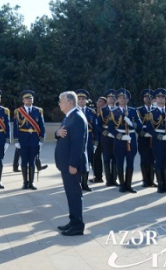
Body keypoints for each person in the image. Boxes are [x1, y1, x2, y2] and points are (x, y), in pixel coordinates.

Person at [55, 91, 88, 236]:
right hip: (66, 164)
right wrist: (57, 133)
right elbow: (62, 132)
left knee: (74, 195)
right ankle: (73, 220)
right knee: (70, 194)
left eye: (61, 101)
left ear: (69, 102)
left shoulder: (77, 118)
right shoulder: (70, 116)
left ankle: (78, 226)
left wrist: (73, 164)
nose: (59, 104)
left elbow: (78, 145)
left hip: (72, 166)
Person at [107, 89, 142, 193]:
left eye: (125, 98)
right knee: (120, 162)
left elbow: (139, 125)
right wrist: (120, 136)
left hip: (131, 137)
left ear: (128, 99)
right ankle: (122, 184)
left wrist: (131, 123)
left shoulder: (133, 111)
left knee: (130, 163)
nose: (123, 100)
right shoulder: (113, 112)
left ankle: (129, 184)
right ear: (117, 99)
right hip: (119, 140)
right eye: (120, 98)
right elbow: (110, 128)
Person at [144, 88, 166, 194]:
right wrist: (159, 136)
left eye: (163, 97)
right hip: (158, 141)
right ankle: (160, 185)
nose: (160, 99)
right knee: (159, 161)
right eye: (158, 97)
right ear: (155, 99)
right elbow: (149, 128)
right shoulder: (151, 113)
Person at [13, 90, 45, 190]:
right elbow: (15, 127)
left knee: (32, 161)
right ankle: (25, 182)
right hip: (23, 139)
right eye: (27, 98)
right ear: (23, 100)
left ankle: (31, 182)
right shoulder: (18, 111)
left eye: (30, 98)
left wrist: (41, 139)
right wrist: (16, 140)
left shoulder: (38, 111)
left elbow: (42, 126)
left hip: (34, 139)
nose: (29, 100)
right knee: (24, 161)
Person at [75, 89, 98, 192]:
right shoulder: (73, 111)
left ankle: (85, 183)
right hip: (76, 140)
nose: (81, 101)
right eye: (79, 99)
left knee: (87, 162)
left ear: (86, 101)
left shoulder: (91, 112)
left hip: (88, 140)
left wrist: (95, 142)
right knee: (76, 162)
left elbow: (96, 128)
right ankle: (76, 183)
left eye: (83, 99)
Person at [136, 89, 156, 188]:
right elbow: (137, 125)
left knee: (152, 159)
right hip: (143, 137)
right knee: (144, 158)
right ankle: (145, 180)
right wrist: (143, 133)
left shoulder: (156, 109)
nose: (147, 98)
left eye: (150, 97)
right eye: (145, 97)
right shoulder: (139, 110)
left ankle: (151, 180)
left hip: (154, 136)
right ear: (143, 99)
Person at [100, 89, 119, 187]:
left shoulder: (119, 110)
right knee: (106, 158)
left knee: (115, 158)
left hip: (116, 136)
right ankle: (108, 179)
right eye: (109, 97)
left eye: (113, 97)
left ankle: (114, 179)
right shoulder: (102, 110)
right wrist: (105, 132)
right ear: (107, 99)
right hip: (106, 136)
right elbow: (98, 125)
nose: (111, 99)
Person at [90, 96, 107, 184]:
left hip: (104, 137)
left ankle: (102, 176)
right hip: (95, 137)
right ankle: (98, 176)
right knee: (96, 157)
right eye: (98, 101)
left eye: (101, 102)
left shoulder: (106, 112)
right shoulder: (93, 112)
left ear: (105, 104)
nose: (98, 103)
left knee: (105, 158)